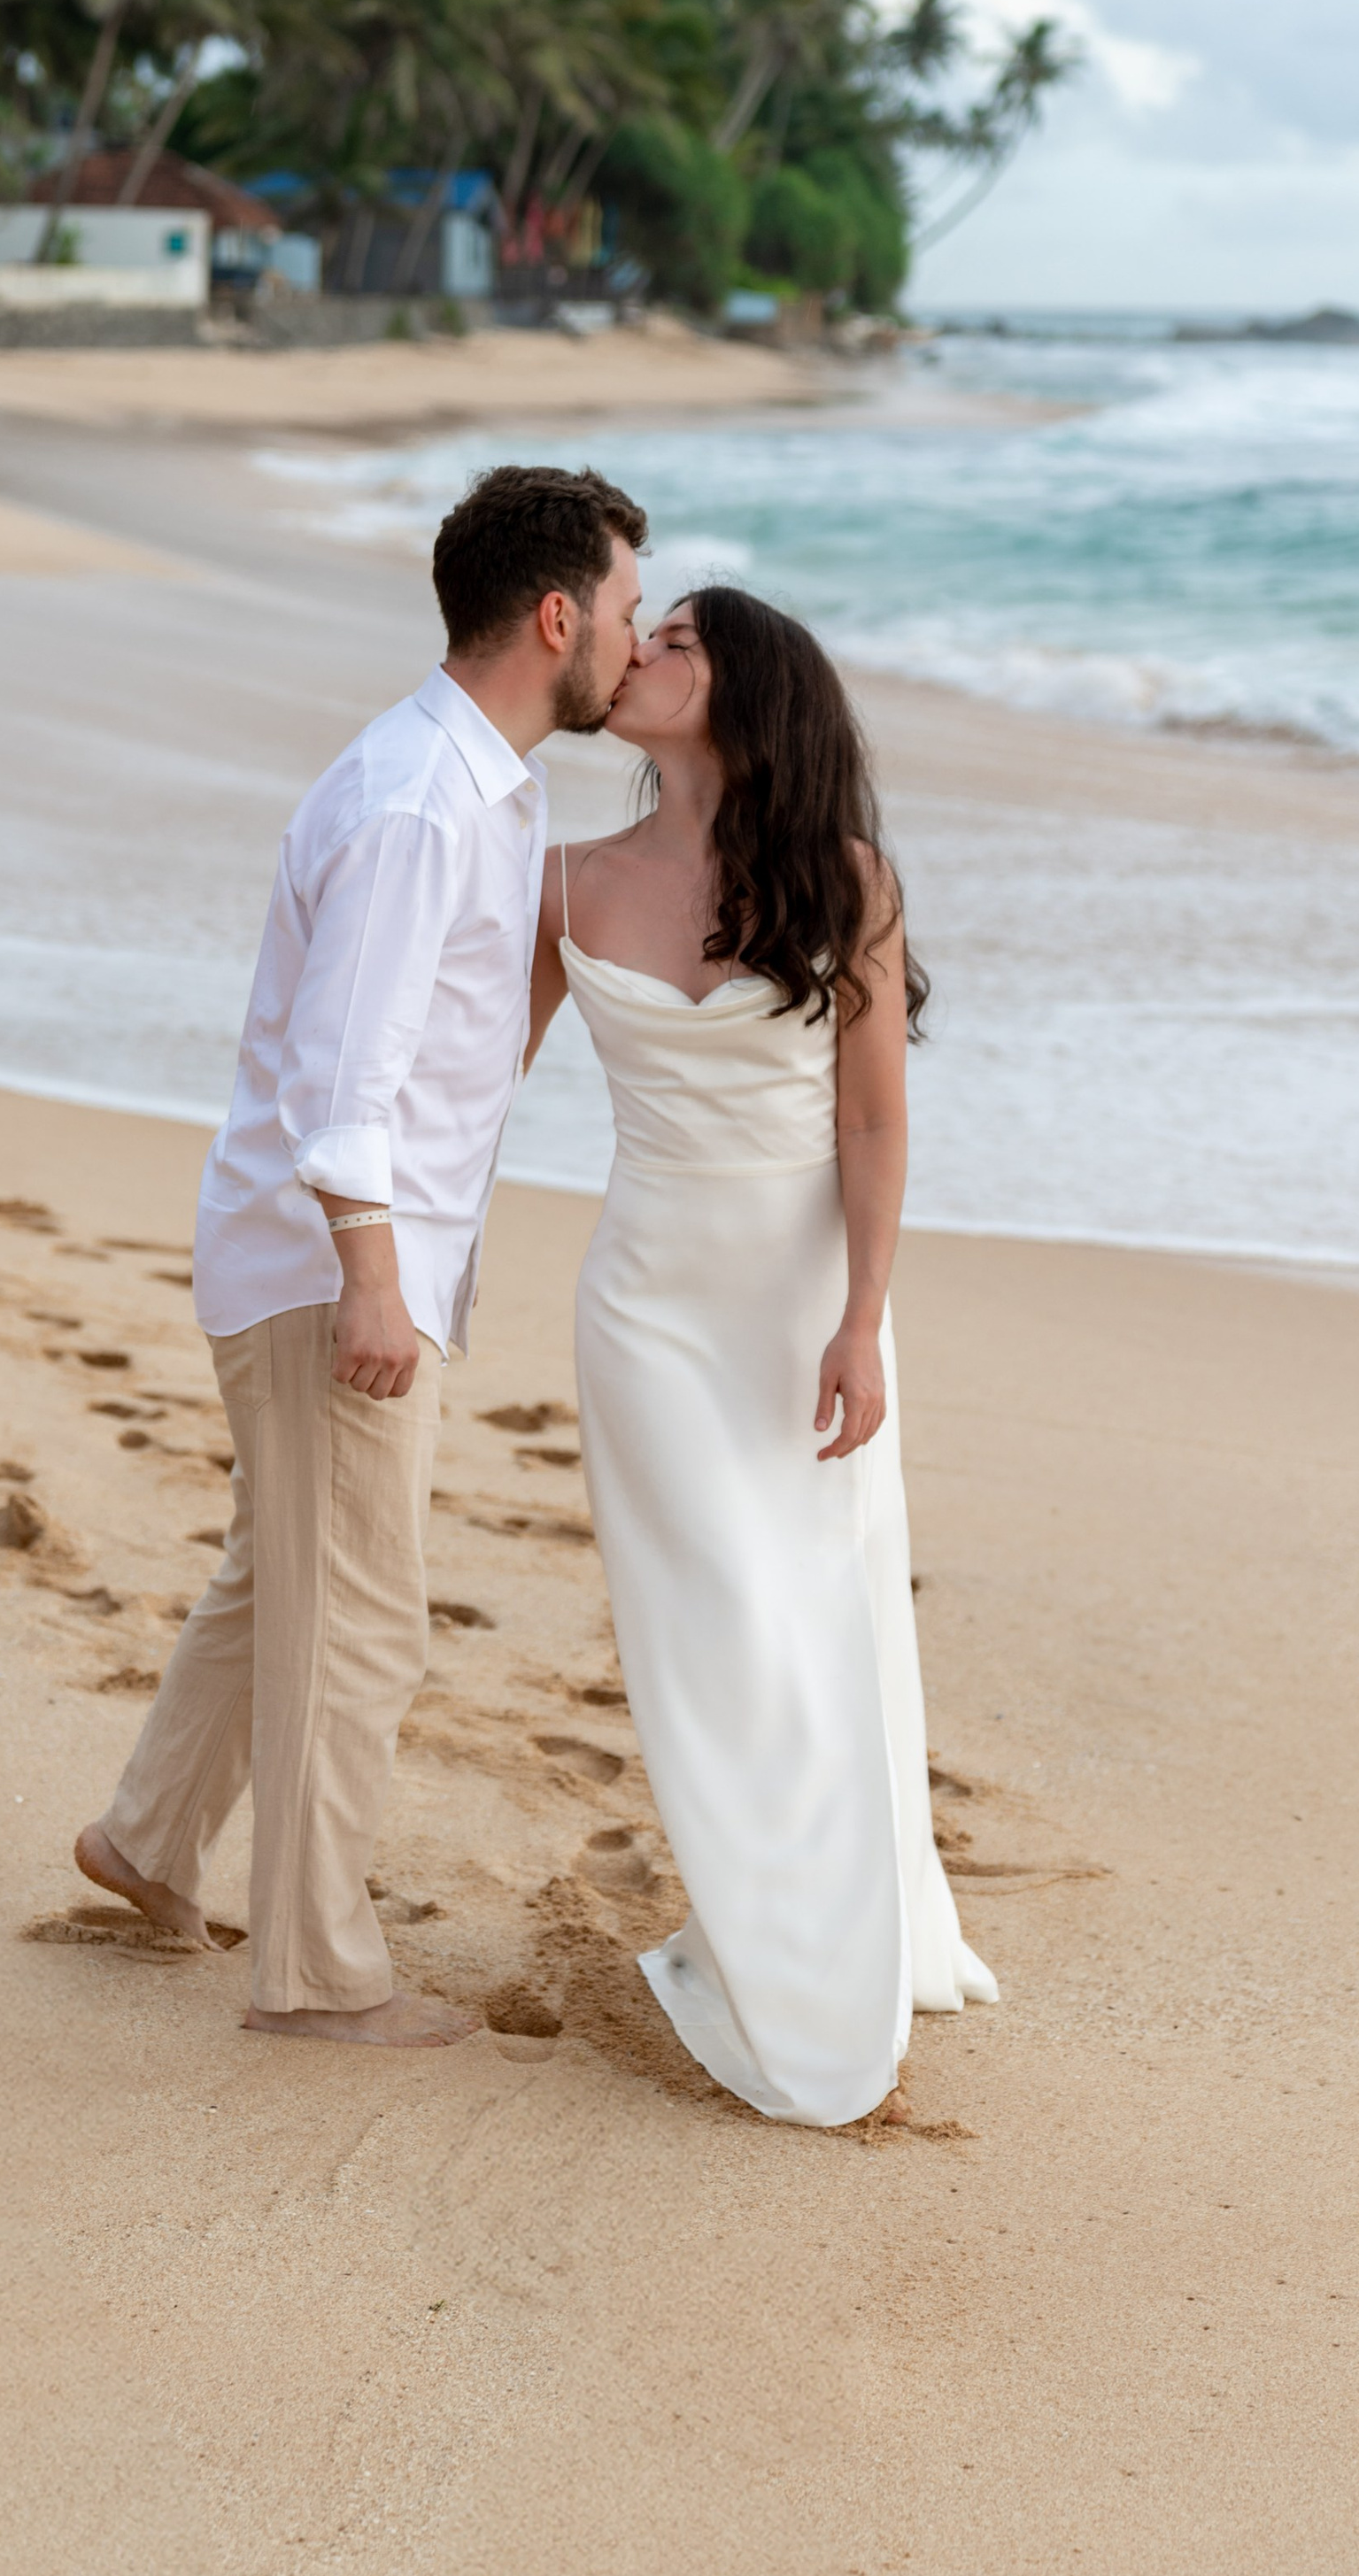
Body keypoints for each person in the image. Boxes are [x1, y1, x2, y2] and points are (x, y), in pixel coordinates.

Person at [77, 465, 648, 2047]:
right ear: (554, 616)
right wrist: (377, 1283)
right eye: (620, 608)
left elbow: (449, 1045)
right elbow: (341, 1084)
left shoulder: (475, 783)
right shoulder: (420, 804)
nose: (635, 634)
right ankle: (317, 1976)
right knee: (365, 1615)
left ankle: (145, 1838)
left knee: (282, 1577)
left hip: (316, 1254)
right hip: (333, 1266)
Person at [527, 584, 997, 2126]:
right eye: (637, 632)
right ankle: (779, 1962)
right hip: (650, 1312)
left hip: (803, 1317)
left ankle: (839, 1929)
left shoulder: (845, 880)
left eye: (674, 642)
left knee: (817, 1621)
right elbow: (468, 1077)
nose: (639, 654)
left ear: (747, 692)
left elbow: (872, 1116)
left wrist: (864, 1318)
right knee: (715, 1635)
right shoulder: (565, 879)